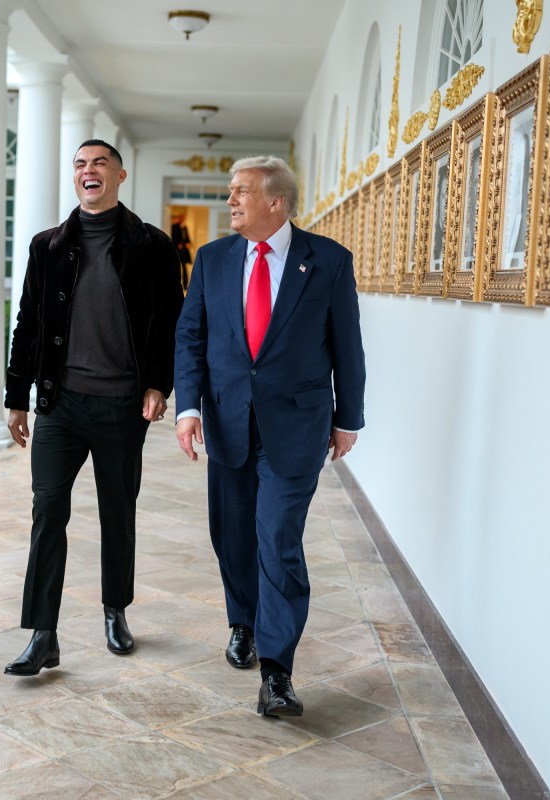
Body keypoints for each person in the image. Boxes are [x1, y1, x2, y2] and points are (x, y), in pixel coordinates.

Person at [173, 156, 365, 718]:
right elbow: (191, 338)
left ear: (275, 202)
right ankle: (243, 623)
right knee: (233, 538)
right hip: (228, 423)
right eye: (230, 191)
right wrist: (189, 409)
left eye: (241, 192)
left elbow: (347, 346)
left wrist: (347, 418)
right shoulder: (211, 261)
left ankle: (277, 673)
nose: (230, 200)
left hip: (296, 428)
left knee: (278, 540)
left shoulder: (327, 262)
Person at [3, 139, 184, 676]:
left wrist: (158, 385)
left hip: (122, 406)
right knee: (47, 512)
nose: (88, 171)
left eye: (99, 163)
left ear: (120, 175)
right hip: (60, 405)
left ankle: (115, 611)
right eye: (80, 164)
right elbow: (28, 325)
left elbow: (168, 325)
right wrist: (17, 397)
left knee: (117, 513)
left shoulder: (151, 245)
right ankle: (42, 633)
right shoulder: (47, 247)